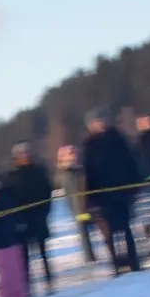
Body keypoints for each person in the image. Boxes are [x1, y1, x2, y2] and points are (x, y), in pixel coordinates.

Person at [82, 111, 144, 273]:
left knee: (126, 227)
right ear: (91, 126)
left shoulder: (117, 138)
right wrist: (91, 197)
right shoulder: (89, 146)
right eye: (97, 121)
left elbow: (130, 162)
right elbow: (89, 173)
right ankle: (116, 263)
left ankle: (134, 261)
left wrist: (134, 184)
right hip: (103, 195)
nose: (101, 123)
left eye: (102, 120)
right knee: (109, 232)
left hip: (122, 190)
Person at [7, 143, 56, 292]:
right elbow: (11, 199)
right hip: (23, 220)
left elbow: (47, 191)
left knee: (43, 251)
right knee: (25, 255)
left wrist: (45, 211)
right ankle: (27, 283)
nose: (25, 155)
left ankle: (49, 279)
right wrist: (17, 219)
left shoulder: (39, 171)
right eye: (21, 153)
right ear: (16, 157)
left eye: (27, 152)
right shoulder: (12, 176)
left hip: (39, 216)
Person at [56, 144, 97, 263]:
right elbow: (72, 192)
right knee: (83, 230)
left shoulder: (79, 170)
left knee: (87, 230)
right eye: (71, 154)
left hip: (86, 204)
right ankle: (89, 256)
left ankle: (90, 255)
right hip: (78, 207)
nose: (74, 156)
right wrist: (79, 209)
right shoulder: (67, 174)